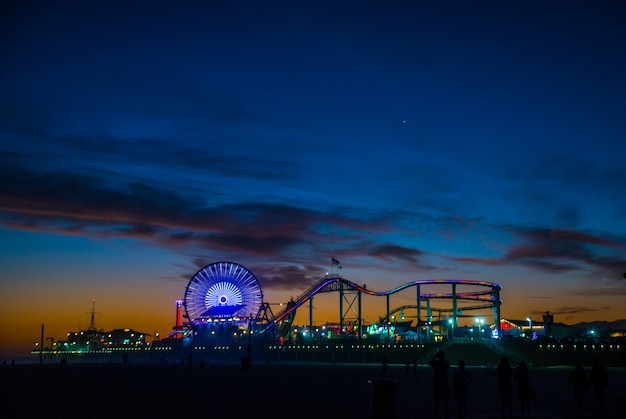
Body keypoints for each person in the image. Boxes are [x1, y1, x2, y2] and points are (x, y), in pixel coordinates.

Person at [429, 350, 450, 419]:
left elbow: (430, 363)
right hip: (444, 384)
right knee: (445, 402)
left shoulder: (436, 363)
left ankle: (437, 414)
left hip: (437, 384)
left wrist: (435, 357)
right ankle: (446, 414)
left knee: (437, 402)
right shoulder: (446, 363)